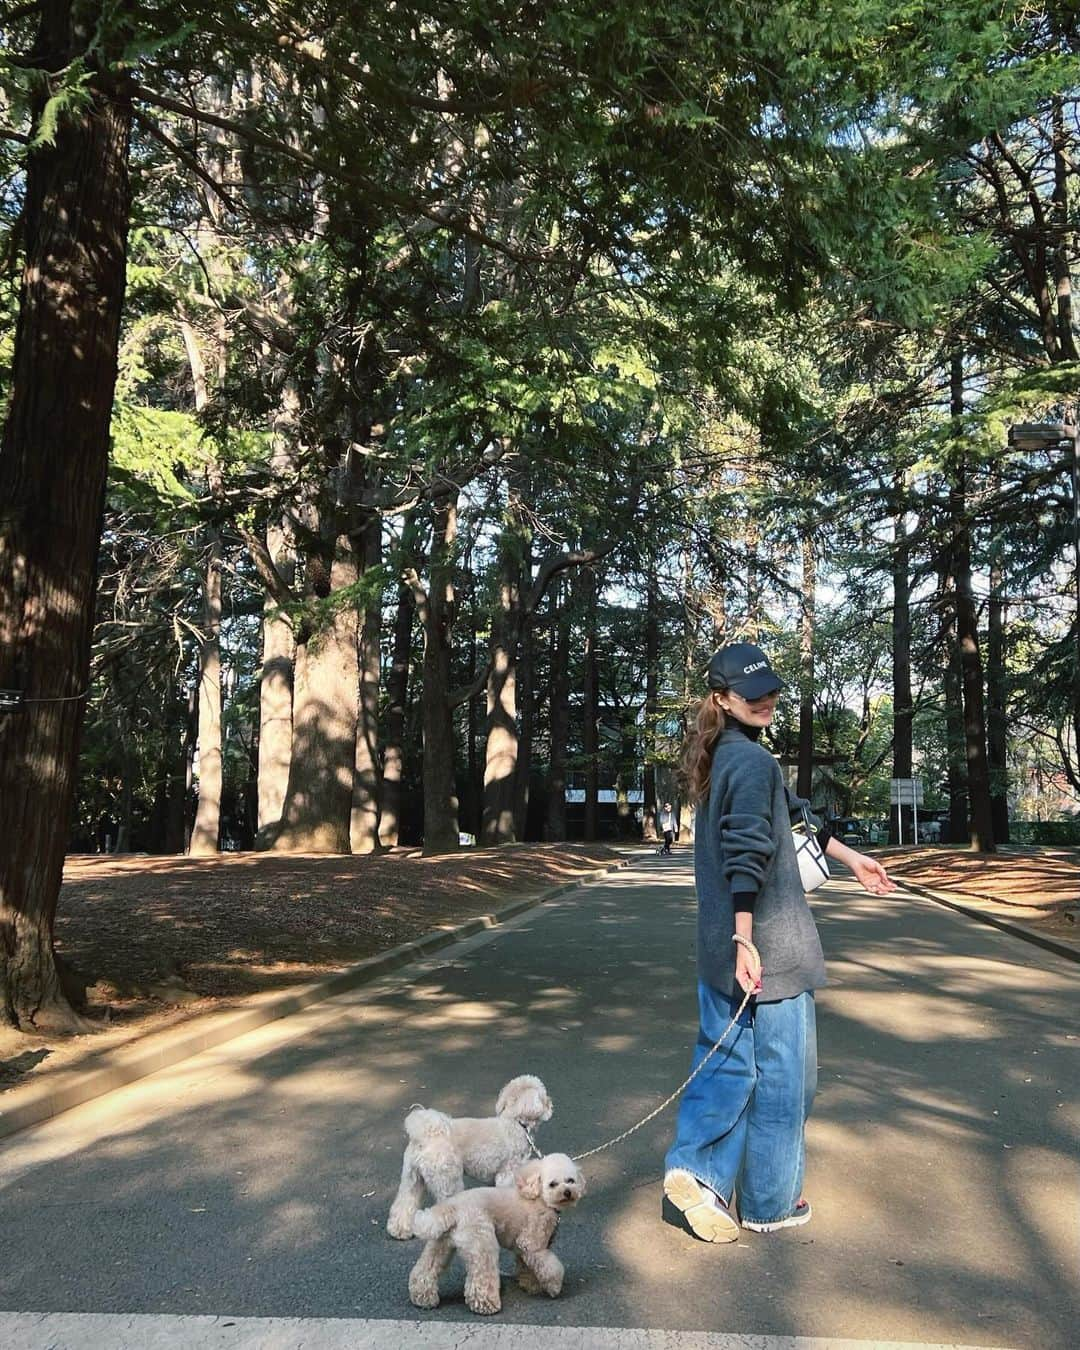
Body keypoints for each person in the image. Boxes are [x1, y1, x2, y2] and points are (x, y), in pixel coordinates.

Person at [662, 641, 894, 1242]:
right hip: (769, 951)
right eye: (750, 694)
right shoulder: (754, 764)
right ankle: (770, 1203)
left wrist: (852, 859)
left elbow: (793, 819)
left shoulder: (723, 759)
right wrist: (747, 939)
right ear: (721, 698)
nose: (765, 700)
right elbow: (749, 853)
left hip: (720, 950)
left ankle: (699, 1174)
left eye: (769, 690)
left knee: (725, 1063)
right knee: (786, 1080)